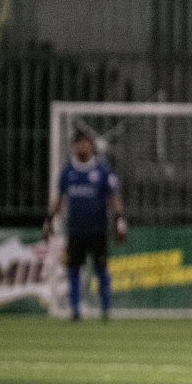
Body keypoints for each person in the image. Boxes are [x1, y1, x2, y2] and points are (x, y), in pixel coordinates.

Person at [43, 130, 125, 320]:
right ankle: (75, 311)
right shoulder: (68, 171)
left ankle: (105, 310)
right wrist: (48, 220)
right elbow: (58, 197)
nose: (82, 146)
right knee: (73, 270)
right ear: (74, 145)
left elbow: (113, 197)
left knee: (101, 269)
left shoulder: (102, 170)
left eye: (86, 143)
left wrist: (119, 219)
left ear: (92, 145)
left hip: (98, 229)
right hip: (75, 230)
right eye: (79, 143)